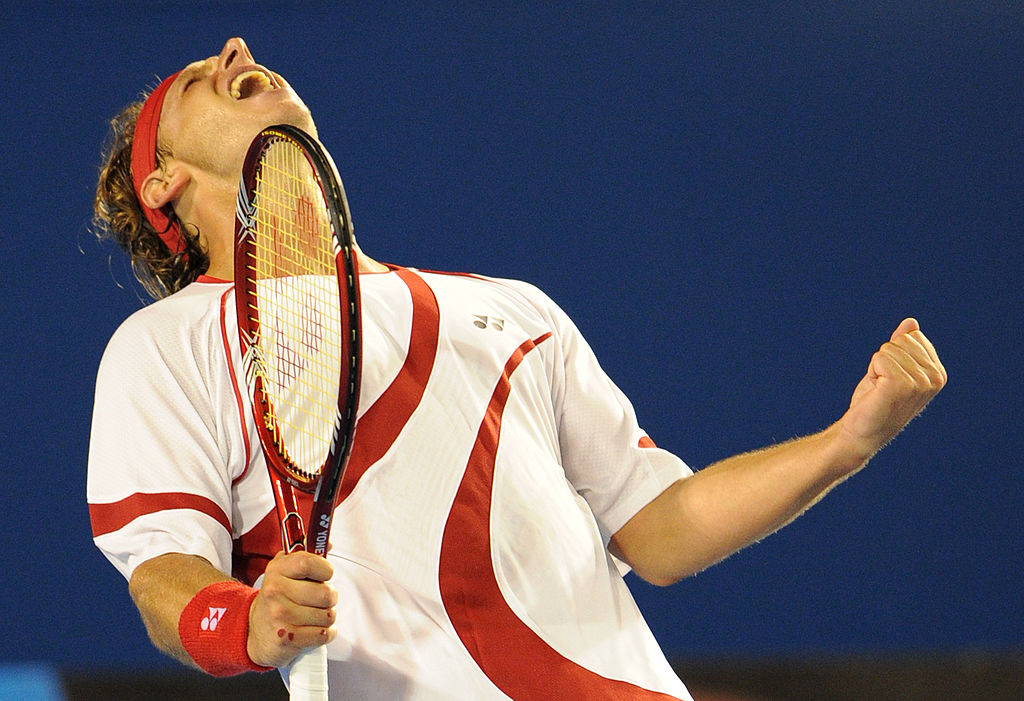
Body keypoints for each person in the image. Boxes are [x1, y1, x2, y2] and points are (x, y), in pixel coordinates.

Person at [88, 37, 946, 700]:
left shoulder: (515, 309)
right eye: (202, 74)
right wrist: (249, 621)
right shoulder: (167, 345)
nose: (237, 51)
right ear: (162, 182)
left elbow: (659, 530)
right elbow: (165, 571)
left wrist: (847, 441)